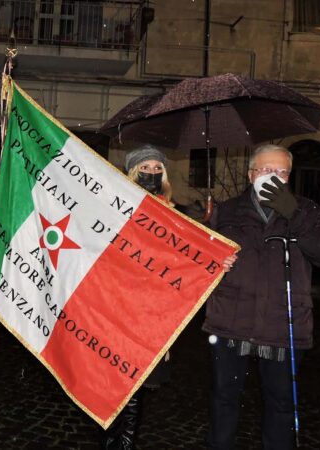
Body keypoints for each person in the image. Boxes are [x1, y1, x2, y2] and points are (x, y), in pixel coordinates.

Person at [204, 144, 320, 450]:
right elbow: (201, 260)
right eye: (266, 170)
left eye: (281, 172)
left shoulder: (308, 211)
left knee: (280, 404)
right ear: (252, 174)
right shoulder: (225, 212)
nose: (273, 177)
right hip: (231, 321)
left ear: (289, 178)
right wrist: (215, 263)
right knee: (223, 400)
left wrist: (294, 214)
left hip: (284, 324)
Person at [101, 145, 176, 450]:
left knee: (136, 385)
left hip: (150, 313)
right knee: (113, 384)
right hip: (117, 308)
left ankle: (126, 445)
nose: (152, 173)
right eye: (145, 168)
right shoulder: (115, 206)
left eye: (158, 169)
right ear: (132, 171)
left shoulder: (171, 210)